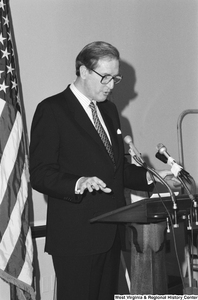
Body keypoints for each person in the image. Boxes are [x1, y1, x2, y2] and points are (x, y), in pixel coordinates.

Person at [29, 41, 178, 300]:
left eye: (115, 78)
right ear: (83, 71)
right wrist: (78, 182)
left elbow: (115, 170)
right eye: (105, 77)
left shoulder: (109, 111)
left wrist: (149, 176)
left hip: (111, 231)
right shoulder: (52, 110)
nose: (111, 85)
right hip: (76, 237)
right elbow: (40, 173)